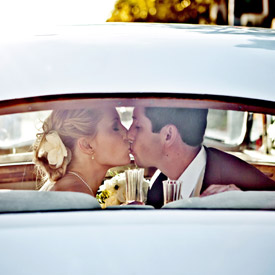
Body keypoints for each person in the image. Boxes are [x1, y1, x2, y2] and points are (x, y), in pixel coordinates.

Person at [128, 106, 275, 208]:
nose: (129, 134)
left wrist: (244, 201)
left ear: (168, 135)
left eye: (138, 127)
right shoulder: (158, 183)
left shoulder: (240, 179)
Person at [33, 107, 130, 197]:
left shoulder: (69, 187)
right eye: (115, 127)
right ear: (86, 145)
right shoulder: (75, 195)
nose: (128, 134)